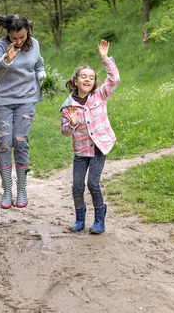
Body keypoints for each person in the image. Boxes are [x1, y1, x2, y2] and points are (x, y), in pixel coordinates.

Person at [60, 39, 120, 234]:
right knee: (77, 186)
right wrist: (73, 123)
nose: (87, 80)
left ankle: (99, 221)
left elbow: (114, 80)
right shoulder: (68, 106)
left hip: (99, 147)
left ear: (94, 82)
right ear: (75, 81)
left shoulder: (100, 96)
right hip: (80, 150)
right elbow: (65, 131)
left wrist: (105, 58)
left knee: (93, 183)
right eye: (83, 76)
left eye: (91, 77)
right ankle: (79, 220)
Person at [0, 14, 45, 209]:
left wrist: (43, 77)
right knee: (4, 143)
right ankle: (6, 190)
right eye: (14, 38)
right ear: (8, 35)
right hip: (3, 100)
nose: (19, 41)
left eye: (22, 37)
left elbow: (39, 65)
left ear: (28, 31)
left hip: (26, 100)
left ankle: (21, 190)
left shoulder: (34, 44)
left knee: (20, 142)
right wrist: (6, 60)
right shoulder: (0, 47)